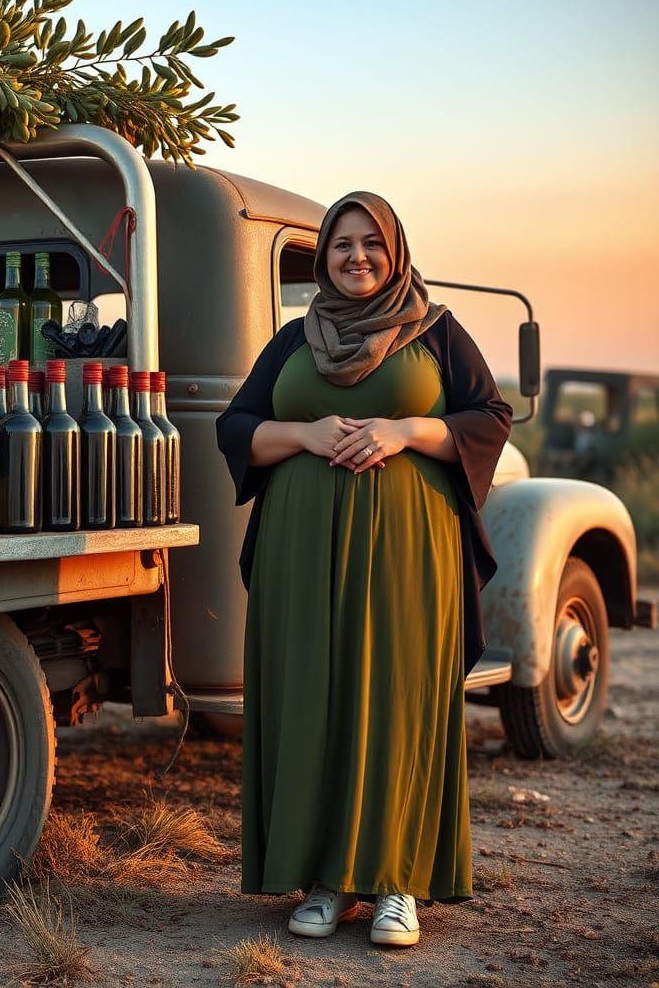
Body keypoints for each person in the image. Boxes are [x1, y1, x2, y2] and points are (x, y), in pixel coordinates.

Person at [216, 191, 512, 948]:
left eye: (370, 244)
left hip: (410, 557)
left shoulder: (438, 332)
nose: (357, 259)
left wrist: (405, 429)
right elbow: (238, 429)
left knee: (398, 701)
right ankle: (327, 880)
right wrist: (308, 433)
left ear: (396, 250)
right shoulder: (292, 340)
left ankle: (398, 883)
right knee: (315, 701)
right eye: (342, 245)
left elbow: (489, 418)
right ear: (323, 257)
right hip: (301, 556)